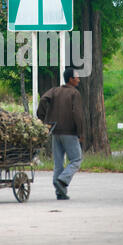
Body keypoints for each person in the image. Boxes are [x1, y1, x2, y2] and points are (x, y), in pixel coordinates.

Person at [37, 67, 84, 200]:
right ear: (71, 79)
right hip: (69, 132)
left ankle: (60, 192)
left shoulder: (54, 91)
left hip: (55, 131)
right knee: (76, 159)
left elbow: (42, 100)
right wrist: (80, 132)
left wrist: (42, 117)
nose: (79, 80)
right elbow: (78, 115)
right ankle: (62, 180)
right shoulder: (74, 93)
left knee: (58, 163)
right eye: (77, 77)